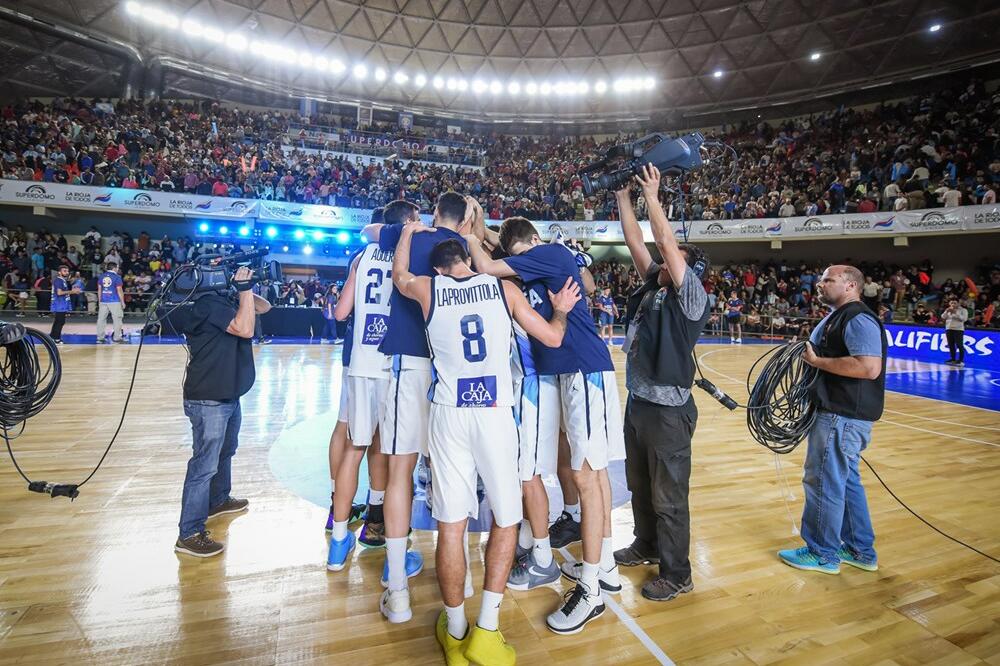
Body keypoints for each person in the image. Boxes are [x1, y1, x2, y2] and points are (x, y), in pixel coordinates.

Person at [392, 227, 579, 666]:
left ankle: (455, 630)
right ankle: (488, 631)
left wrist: (406, 233)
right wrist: (562, 311)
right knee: (507, 519)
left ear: (439, 268)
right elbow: (552, 338)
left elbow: (399, 273)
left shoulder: (426, 287)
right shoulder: (503, 288)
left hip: (449, 412)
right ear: (469, 263)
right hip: (494, 410)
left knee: (451, 527)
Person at [465, 215, 623, 634]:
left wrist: (468, 233)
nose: (524, 263)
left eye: (525, 255)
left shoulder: (548, 253)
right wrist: (486, 232)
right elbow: (504, 253)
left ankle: (590, 591)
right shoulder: (528, 265)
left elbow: (488, 264)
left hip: (584, 367)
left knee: (587, 475)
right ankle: (604, 565)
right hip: (565, 371)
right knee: (594, 472)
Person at [362, 193, 473, 624]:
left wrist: (406, 230)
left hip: (408, 362)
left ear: (432, 215)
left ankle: (399, 593)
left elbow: (367, 230)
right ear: (464, 222)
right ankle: (459, 585)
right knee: (452, 473)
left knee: (400, 472)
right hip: (451, 371)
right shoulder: (464, 253)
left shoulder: (410, 235)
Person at [613, 165, 711, 602]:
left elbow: (665, 242)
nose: (665, 262)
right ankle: (646, 545)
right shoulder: (655, 285)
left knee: (669, 497)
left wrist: (652, 197)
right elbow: (637, 241)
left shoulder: (691, 298)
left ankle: (677, 573)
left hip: (669, 412)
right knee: (639, 483)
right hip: (639, 402)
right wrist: (622, 199)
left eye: (675, 261)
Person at [778, 265, 886, 575]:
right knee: (846, 481)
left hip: (842, 416)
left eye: (829, 279)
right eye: (821, 279)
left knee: (823, 480)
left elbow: (869, 368)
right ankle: (859, 550)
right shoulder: (839, 316)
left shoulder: (858, 318)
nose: (820, 284)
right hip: (840, 415)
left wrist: (817, 361)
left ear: (851, 285)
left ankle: (822, 553)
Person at [175, 267, 271, 557]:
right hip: (209, 398)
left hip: (227, 393)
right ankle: (189, 532)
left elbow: (263, 307)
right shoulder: (207, 304)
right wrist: (242, 290)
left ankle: (218, 500)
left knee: (226, 451)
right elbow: (245, 328)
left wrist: (243, 287)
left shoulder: (225, 300)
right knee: (204, 464)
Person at [326, 234, 394, 570]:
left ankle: (338, 538)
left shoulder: (362, 256)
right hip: (393, 363)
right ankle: (376, 523)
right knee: (385, 448)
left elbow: (340, 313)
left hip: (360, 360)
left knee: (353, 443)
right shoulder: (408, 252)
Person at [96, 263, 126, 343]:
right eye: (117, 267)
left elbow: (99, 289)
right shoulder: (117, 277)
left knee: (101, 319)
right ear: (114, 268)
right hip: (114, 300)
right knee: (117, 319)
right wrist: (122, 302)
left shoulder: (101, 276)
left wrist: (99, 300)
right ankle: (117, 337)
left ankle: (100, 337)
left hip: (103, 300)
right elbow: (119, 290)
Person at [49, 265, 78, 344]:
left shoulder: (62, 280)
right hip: (59, 304)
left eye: (67, 271)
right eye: (64, 271)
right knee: (60, 321)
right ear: (59, 272)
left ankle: (52, 337)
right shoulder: (59, 280)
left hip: (61, 304)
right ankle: (56, 338)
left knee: (58, 321)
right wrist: (72, 291)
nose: (67, 272)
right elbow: (59, 293)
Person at [942, 297, 968, 366]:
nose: (953, 304)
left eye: (955, 303)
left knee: (959, 345)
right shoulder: (948, 309)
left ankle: (961, 360)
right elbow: (943, 317)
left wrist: (955, 313)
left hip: (958, 330)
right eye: (951, 303)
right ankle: (953, 359)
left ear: (958, 303)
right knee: (951, 345)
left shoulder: (963, 310)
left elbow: (964, 319)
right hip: (949, 329)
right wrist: (946, 311)